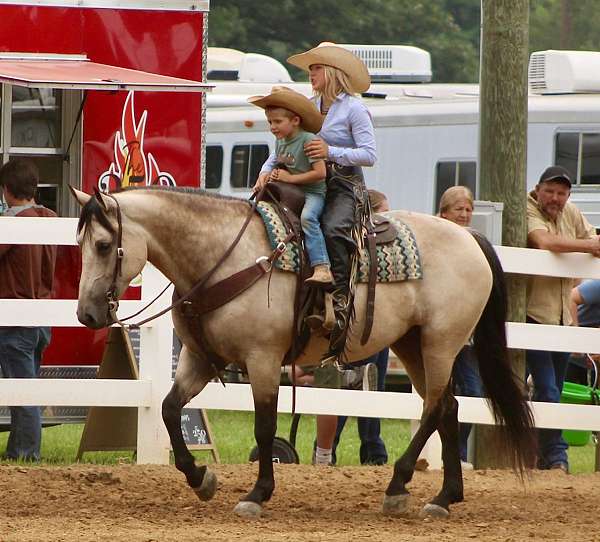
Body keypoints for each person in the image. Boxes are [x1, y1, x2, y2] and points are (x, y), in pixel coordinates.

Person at [259, 43, 376, 366]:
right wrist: (266, 172)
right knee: (271, 223)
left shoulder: (354, 109)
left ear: (333, 73)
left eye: (316, 69)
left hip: (342, 184)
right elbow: (283, 145)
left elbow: (369, 154)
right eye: (309, 70)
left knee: (333, 228)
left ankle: (338, 303)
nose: (311, 74)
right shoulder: (306, 107)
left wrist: (330, 152)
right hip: (305, 181)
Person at [526, 165, 600, 474]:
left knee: (553, 386)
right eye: (550, 191)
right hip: (532, 313)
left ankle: (544, 456)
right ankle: (557, 456)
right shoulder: (527, 208)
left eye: (561, 193)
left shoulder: (571, 213)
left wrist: (590, 244)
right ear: (538, 190)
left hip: (559, 316)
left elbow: (591, 236)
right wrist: (588, 247)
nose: (555, 198)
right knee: (548, 388)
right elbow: (544, 242)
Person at [0, 159, 57, 461]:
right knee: (27, 388)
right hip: (42, 317)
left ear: (7, 190)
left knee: (23, 394)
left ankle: (26, 454)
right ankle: (17, 450)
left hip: (14, 319)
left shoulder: (12, 223)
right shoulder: (50, 217)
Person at [251, 86, 332, 284]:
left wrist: (289, 179)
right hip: (293, 191)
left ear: (295, 121)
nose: (272, 127)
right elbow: (280, 163)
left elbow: (321, 174)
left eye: (278, 122)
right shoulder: (281, 141)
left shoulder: (308, 140)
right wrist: (267, 177)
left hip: (313, 192)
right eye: (270, 122)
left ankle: (322, 266)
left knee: (308, 218)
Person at [438, 186, 484, 470]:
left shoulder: (475, 243)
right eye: (459, 209)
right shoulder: (436, 242)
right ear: (444, 212)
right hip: (444, 331)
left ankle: (458, 452)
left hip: (465, 335)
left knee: (471, 391)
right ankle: (450, 453)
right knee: (439, 390)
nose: (465, 215)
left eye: (468, 210)